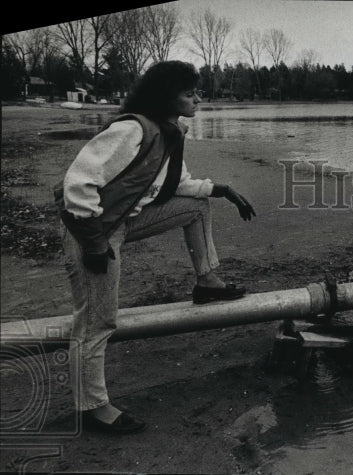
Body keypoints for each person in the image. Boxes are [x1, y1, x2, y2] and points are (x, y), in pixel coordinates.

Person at [55, 61, 256, 434]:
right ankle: (92, 406)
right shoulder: (131, 129)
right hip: (89, 228)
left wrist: (221, 190)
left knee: (196, 206)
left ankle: (206, 281)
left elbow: (177, 185)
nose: (199, 98)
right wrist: (96, 243)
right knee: (98, 318)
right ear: (167, 96)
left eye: (197, 92)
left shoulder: (168, 131)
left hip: (126, 220)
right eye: (190, 93)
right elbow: (77, 183)